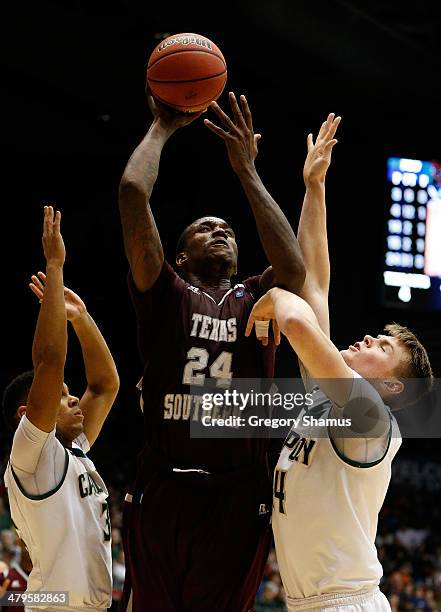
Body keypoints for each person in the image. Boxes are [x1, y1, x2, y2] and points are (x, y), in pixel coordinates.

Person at [118, 92, 305, 611]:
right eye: (206, 228)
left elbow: (294, 271)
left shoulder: (257, 299)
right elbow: (133, 191)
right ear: (180, 253)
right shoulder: (165, 293)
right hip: (163, 489)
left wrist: (247, 171)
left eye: (228, 230)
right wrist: (162, 126)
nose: (221, 230)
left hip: (238, 497)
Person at [246, 114, 434, 612]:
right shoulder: (330, 400)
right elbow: (316, 285)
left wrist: (276, 303)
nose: (369, 336)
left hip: (344, 603)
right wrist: (315, 186)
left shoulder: (372, 420)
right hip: (312, 603)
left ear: (392, 388)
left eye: (383, 348)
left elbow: (302, 318)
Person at [2, 206, 119, 611]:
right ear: (26, 414)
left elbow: (105, 386)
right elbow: (50, 361)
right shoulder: (33, 455)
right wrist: (55, 266)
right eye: (62, 394)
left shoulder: (76, 450)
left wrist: (83, 319)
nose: (72, 399)